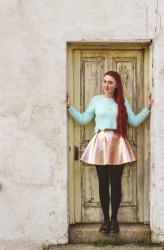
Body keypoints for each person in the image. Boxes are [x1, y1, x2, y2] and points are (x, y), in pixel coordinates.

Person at [66, 71, 153, 234]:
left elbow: (133, 121)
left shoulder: (122, 102)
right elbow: (84, 119)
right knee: (103, 183)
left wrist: (147, 108)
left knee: (116, 182)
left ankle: (114, 220)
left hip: (117, 143)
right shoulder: (96, 101)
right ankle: (105, 220)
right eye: (104, 81)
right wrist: (69, 107)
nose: (106, 85)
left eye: (110, 82)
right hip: (100, 143)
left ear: (116, 85)